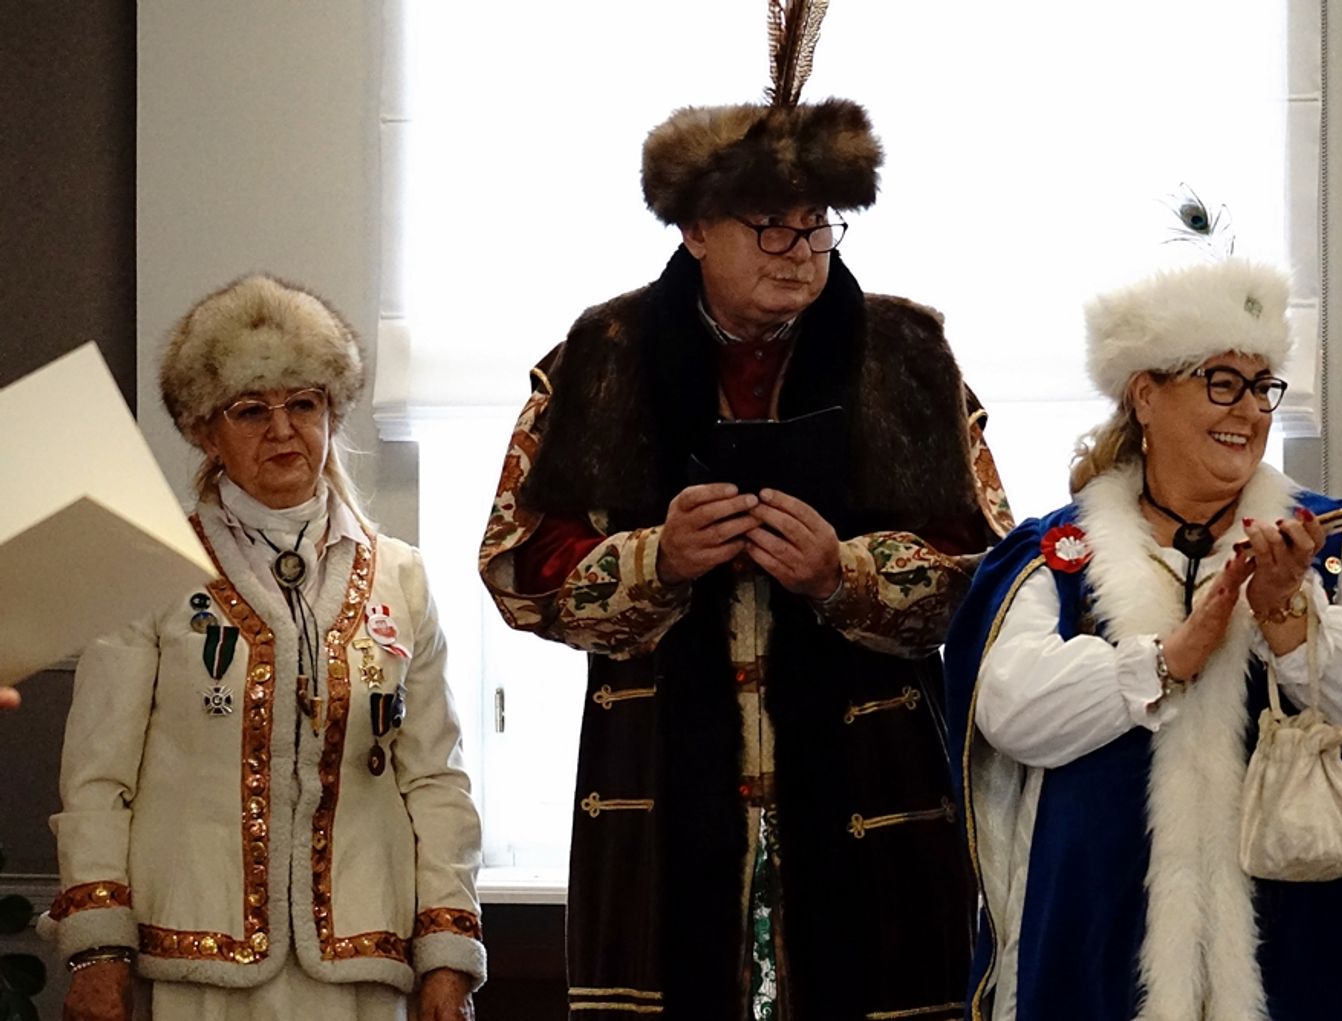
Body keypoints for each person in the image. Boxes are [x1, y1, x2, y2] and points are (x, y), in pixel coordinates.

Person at [477, 9, 1012, 1019]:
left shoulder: (906, 355)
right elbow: (515, 565)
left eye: (818, 224)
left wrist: (844, 574)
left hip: (873, 796)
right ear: (693, 229)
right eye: (771, 225)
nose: (799, 250)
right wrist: (656, 560)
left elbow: (988, 573)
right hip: (660, 799)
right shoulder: (602, 356)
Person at [944, 255, 1342, 1020]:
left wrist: (1290, 624)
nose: (1249, 410)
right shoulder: (1056, 557)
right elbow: (1008, 713)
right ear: (1145, 395)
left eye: (1261, 386)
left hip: (1301, 945)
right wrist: (1165, 661)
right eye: (1221, 381)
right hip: (1096, 942)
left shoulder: (1333, 547)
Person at [47, 275, 485, 1021]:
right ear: (205, 431)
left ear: (331, 413)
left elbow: (436, 781)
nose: (283, 430)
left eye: (303, 404)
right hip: (194, 965)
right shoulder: (146, 566)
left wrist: (447, 954)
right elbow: (97, 779)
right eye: (251, 410)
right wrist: (97, 950)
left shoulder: (402, 577)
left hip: (364, 966)